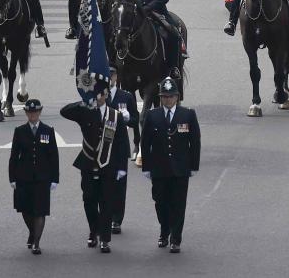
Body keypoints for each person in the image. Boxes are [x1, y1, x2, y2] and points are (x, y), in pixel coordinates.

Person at [60, 81, 130, 253]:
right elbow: (64, 112)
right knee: (89, 200)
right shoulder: (85, 111)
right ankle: (94, 230)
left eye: (101, 94)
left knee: (106, 202)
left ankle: (105, 239)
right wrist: (83, 101)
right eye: (96, 94)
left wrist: (122, 167)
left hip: (108, 165)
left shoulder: (115, 116)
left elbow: (122, 143)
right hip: (88, 162)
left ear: (106, 95)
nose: (98, 97)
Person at [141, 76, 200, 253]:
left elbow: (194, 141)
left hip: (180, 169)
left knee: (178, 204)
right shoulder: (152, 116)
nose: (167, 99)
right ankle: (164, 230)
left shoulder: (187, 114)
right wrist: (146, 166)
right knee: (160, 203)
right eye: (164, 96)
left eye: (170, 96)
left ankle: (175, 238)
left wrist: (194, 165)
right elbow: (145, 142)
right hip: (159, 169)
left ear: (177, 97)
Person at [8, 99, 59, 255]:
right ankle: (32, 232)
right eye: (30, 112)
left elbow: (54, 156)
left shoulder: (48, 131)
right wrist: (12, 178)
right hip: (24, 178)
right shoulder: (20, 131)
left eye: (35, 112)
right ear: (26, 113)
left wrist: (55, 178)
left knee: (40, 211)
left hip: (42, 178)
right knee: (26, 209)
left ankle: (36, 242)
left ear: (40, 112)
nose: (33, 115)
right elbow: (14, 157)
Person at [107, 66, 139, 230]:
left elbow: (135, 120)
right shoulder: (98, 97)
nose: (109, 78)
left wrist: (127, 119)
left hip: (119, 147)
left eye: (112, 75)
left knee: (119, 185)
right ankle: (104, 217)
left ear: (116, 77)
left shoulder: (125, 96)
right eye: (107, 75)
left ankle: (116, 219)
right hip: (102, 147)